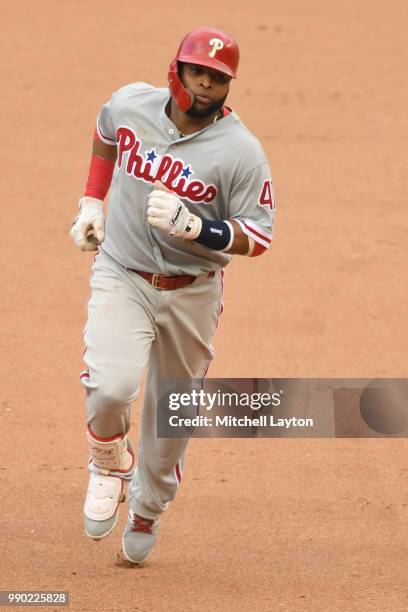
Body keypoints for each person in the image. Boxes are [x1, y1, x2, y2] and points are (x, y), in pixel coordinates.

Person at [70, 26, 275, 565]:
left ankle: (146, 509)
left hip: (192, 292)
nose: (206, 85)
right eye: (198, 72)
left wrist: (197, 229)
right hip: (123, 272)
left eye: (218, 78)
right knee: (111, 386)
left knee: (171, 414)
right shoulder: (131, 104)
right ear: (177, 70)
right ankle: (108, 459)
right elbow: (105, 130)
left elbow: (259, 235)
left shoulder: (241, 151)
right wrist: (93, 201)